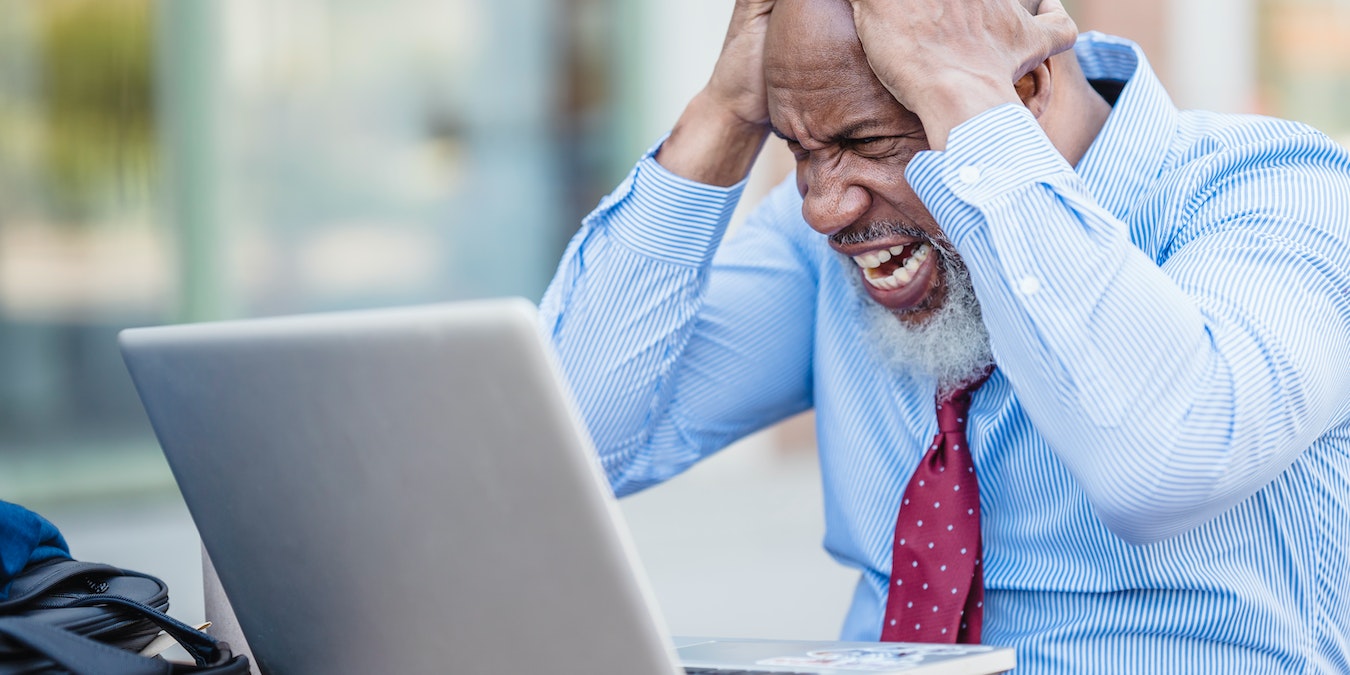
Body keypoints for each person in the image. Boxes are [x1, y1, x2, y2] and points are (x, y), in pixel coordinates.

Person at [539, 0, 1350, 671]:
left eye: (867, 143)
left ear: (1024, 87)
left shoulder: (1280, 192)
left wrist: (972, 114)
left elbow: (1162, 461)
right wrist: (718, 115)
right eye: (798, 149)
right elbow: (564, 447)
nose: (824, 207)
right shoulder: (829, 232)